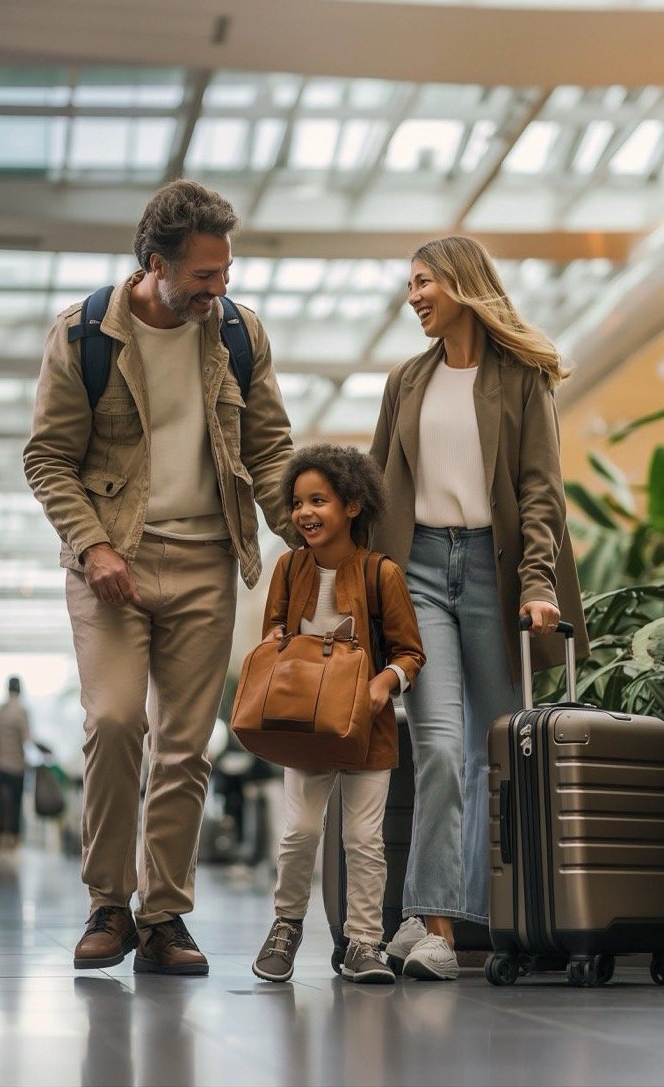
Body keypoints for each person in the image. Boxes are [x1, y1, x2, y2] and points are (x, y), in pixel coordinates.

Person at [24, 180, 298, 975]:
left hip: (210, 556)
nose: (220, 288)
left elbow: (270, 449)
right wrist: (93, 547)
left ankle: (164, 916)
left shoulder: (239, 333)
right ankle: (108, 903)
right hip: (113, 560)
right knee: (114, 721)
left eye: (225, 272)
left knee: (186, 745)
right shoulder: (84, 336)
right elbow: (47, 459)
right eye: (205, 276)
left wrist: (309, 535)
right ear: (155, 264)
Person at [370, 236, 589, 981]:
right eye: (409, 285)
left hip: (495, 574)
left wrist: (537, 582)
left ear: (462, 284)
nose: (413, 297)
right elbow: (378, 491)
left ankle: (450, 917)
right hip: (421, 570)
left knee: (489, 753)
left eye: (423, 281)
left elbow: (540, 493)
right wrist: (364, 584)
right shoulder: (406, 380)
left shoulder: (522, 379)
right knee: (433, 744)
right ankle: (435, 923)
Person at [251, 445, 425, 985]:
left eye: (318, 500)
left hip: (366, 730)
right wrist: (278, 643)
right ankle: (286, 925)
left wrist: (384, 682)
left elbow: (411, 653)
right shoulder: (288, 568)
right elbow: (271, 636)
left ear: (352, 505)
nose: (305, 513)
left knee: (363, 841)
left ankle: (363, 943)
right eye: (299, 502)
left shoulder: (382, 574)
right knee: (300, 831)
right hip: (301, 726)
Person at [0, 676, 51, 849]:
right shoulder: (22, 711)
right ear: (20, 690)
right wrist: (44, 749)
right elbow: (28, 738)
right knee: (15, 804)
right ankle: (12, 838)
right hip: (16, 767)